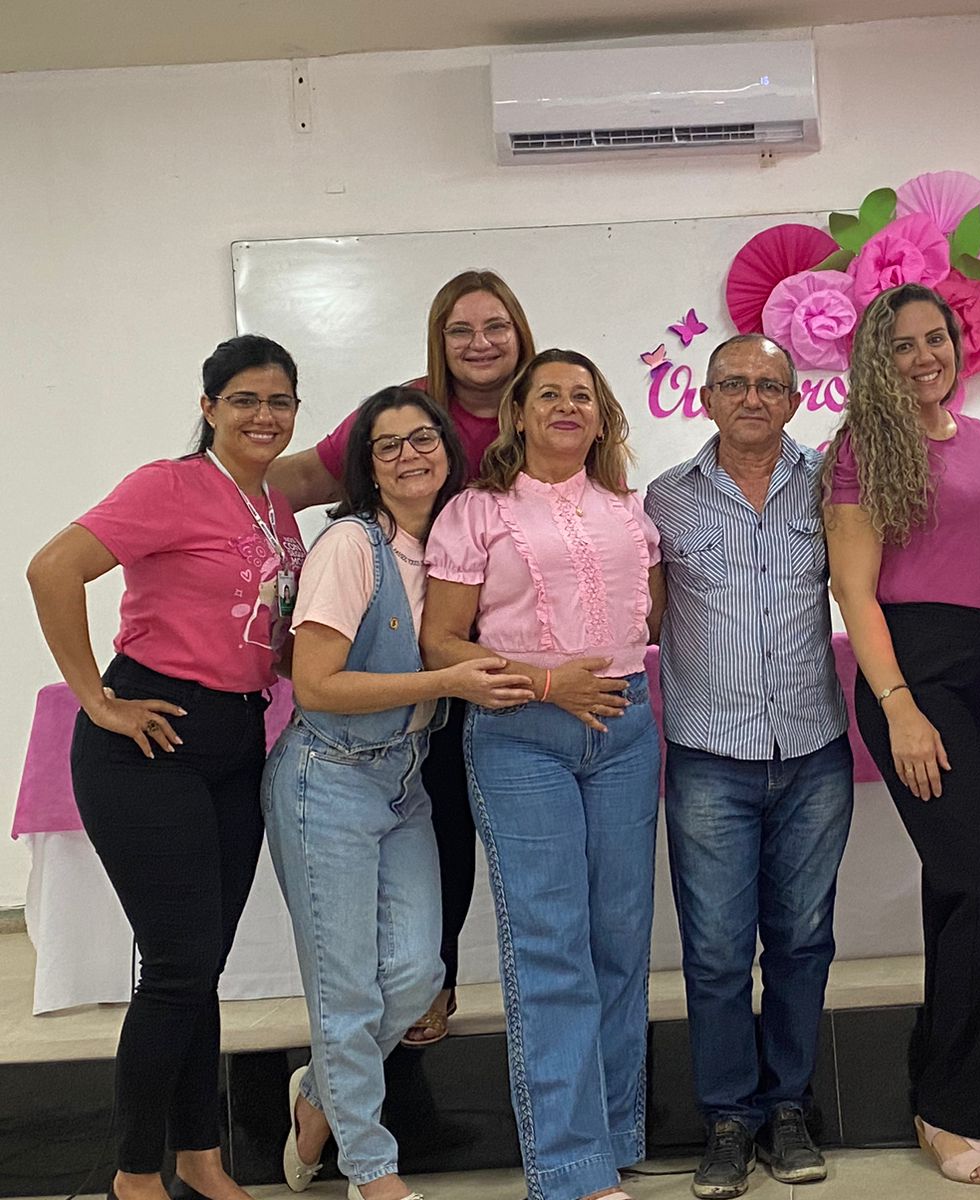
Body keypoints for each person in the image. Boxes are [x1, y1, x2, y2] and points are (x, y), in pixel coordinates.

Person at [27, 335, 309, 1200]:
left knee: (199, 966)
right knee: (178, 965)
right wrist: (96, 699)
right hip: (150, 740)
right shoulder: (169, 485)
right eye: (245, 399)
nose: (264, 416)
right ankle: (133, 1172)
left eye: (280, 401)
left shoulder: (275, 505)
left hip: (237, 738)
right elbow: (52, 568)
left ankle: (199, 1157)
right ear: (209, 406)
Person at [265, 387, 536, 1200]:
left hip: (404, 779)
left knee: (419, 976)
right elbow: (316, 684)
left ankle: (321, 1095)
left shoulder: (453, 544)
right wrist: (447, 680)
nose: (410, 455)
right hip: (328, 780)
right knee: (346, 986)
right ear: (367, 468)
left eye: (424, 439)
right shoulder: (351, 546)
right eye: (388, 446)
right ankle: (372, 1172)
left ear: (450, 452)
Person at [270, 268, 538, 1048]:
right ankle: (434, 986)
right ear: (438, 342)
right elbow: (298, 479)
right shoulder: (406, 412)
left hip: (521, 664)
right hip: (429, 669)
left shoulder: (545, 405)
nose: (480, 344)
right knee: (443, 821)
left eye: (495, 326)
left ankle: (509, 995)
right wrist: (222, 508)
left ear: (520, 331)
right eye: (461, 330)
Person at [420, 348, 664, 1200]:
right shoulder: (477, 512)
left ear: (602, 418)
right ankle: (568, 1169)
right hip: (522, 734)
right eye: (549, 394)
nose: (567, 406)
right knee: (551, 946)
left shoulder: (631, 511)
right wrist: (550, 682)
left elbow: (650, 622)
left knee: (621, 942)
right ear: (518, 413)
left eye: (582, 396)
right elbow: (441, 643)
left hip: (625, 730)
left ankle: (612, 1137)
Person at [824, 283, 980, 1187]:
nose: (923, 357)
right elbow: (854, 589)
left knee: (958, 890)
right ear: (875, 358)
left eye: (935, 339)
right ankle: (950, 1109)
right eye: (901, 344)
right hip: (916, 672)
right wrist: (900, 704)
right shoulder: (862, 447)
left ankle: (953, 1100)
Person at [645, 334, 852, 1199]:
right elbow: (644, 619)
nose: (753, 398)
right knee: (717, 953)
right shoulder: (666, 499)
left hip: (813, 753)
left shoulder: (832, 484)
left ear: (796, 399)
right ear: (706, 397)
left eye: (771, 384)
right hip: (709, 760)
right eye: (735, 383)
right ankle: (729, 1120)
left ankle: (790, 1107)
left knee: (802, 943)